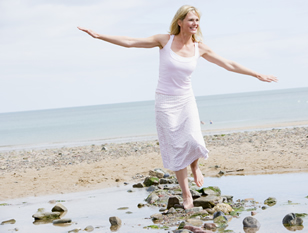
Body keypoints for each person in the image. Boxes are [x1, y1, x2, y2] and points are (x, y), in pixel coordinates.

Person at [78, 5, 277, 209]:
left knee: (193, 137)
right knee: (175, 146)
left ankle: (195, 166)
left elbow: (229, 64)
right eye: (191, 20)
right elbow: (130, 42)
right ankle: (186, 193)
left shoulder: (200, 47)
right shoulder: (164, 40)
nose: (195, 24)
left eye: (197, 20)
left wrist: (256, 74)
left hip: (186, 99)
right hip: (165, 101)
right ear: (180, 22)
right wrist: (99, 36)